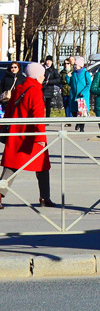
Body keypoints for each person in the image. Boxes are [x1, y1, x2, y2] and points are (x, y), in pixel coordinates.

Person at [1, 63, 55, 208]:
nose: (44, 77)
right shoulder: (36, 91)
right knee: (42, 166)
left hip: (16, 133)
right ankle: (45, 198)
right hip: (31, 135)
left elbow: (8, 111)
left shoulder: (20, 88)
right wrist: (40, 138)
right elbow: (38, 117)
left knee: (11, 165)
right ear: (37, 76)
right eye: (42, 74)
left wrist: (3, 129)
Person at [67, 57, 91, 130]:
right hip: (74, 95)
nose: (75, 66)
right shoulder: (73, 73)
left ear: (81, 65)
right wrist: (67, 77)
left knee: (82, 112)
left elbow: (89, 84)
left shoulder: (86, 73)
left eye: (76, 65)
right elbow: (70, 84)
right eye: (74, 65)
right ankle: (78, 122)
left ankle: (82, 127)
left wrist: (83, 92)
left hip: (82, 96)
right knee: (74, 111)